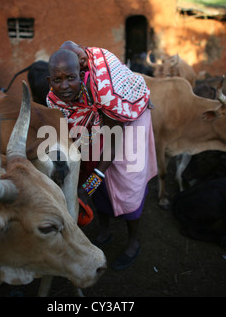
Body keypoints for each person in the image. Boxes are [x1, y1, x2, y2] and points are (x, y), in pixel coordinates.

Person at [46, 47, 157, 270]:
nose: (64, 86)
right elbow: (68, 135)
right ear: (50, 81)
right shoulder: (54, 101)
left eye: (71, 78)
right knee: (93, 175)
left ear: (81, 73)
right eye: (57, 80)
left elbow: (112, 145)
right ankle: (105, 231)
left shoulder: (105, 94)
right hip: (96, 131)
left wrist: (89, 186)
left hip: (125, 126)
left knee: (127, 181)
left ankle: (133, 241)